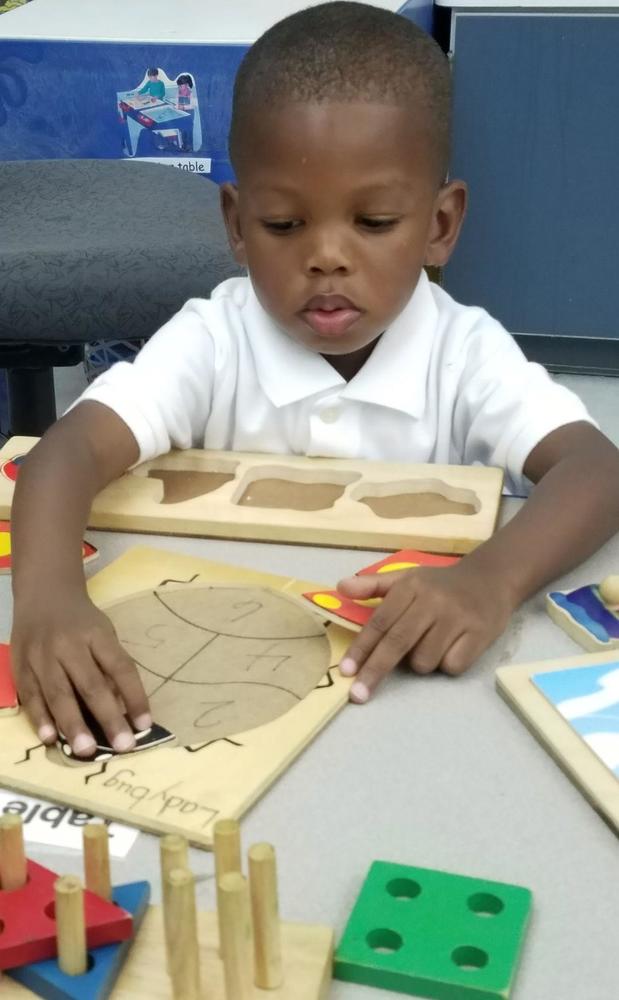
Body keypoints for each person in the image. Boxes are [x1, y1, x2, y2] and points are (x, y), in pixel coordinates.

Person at [10, 2, 619, 760]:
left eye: (373, 223)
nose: (327, 257)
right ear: (235, 223)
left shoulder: (463, 351)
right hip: (230, 670)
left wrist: (488, 580)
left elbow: (597, 471)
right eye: (284, 225)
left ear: (439, 224)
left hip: (403, 720)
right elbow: (62, 455)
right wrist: (45, 599)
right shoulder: (213, 337)